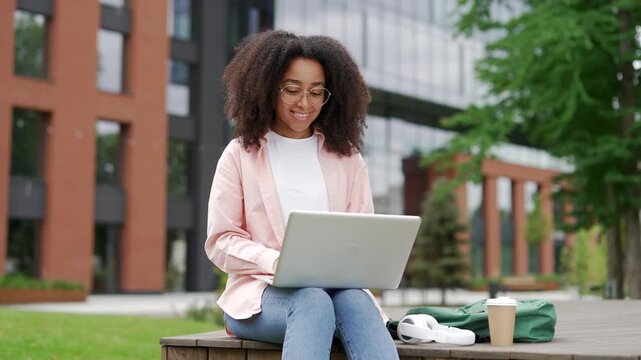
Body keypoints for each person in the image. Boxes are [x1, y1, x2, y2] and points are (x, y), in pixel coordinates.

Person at [204, 30, 399, 360]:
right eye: (292, 90)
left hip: (337, 295)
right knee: (312, 300)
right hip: (260, 300)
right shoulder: (240, 154)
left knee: (357, 299)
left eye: (316, 92)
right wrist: (276, 261)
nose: (304, 103)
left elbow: (362, 237)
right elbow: (221, 240)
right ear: (267, 88)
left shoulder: (348, 159)